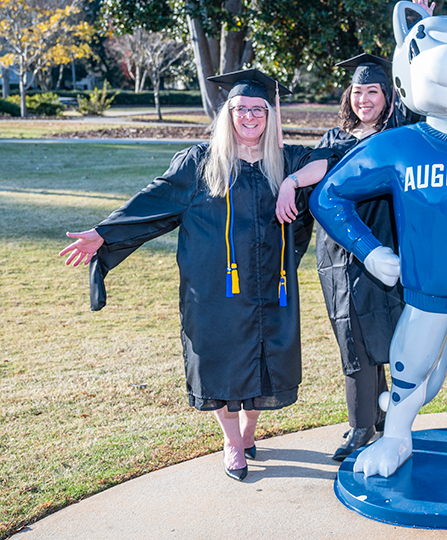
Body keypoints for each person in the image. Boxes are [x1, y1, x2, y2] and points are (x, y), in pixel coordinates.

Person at [60, 69, 338, 482]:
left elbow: (329, 161)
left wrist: (290, 183)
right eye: (241, 109)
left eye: (258, 110)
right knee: (219, 362)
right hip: (212, 289)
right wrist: (103, 233)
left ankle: (248, 432)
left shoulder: (287, 160)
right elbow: (151, 202)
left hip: (269, 285)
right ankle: (231, 442)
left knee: (265, 358)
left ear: (270, 115)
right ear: (227, 114)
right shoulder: (200, 162)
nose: (249, 117)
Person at [303, 53, 414, 461]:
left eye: (373, 91)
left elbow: (418, 98)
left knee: (388, 334)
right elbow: (314, 168)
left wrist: (413, 35)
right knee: (353, 337)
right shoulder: (335, 139)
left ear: (387, 95)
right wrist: (292, 182)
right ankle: (361, 425)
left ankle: (386, 419)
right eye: (358, 91)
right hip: (340, 253)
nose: (363, 99)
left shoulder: (400, 135)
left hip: (387, 248)